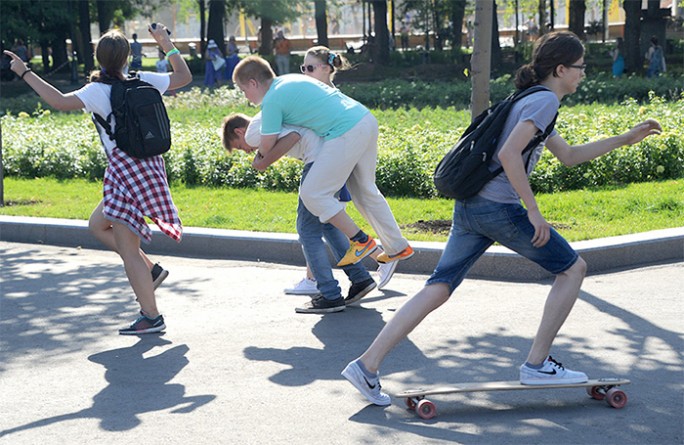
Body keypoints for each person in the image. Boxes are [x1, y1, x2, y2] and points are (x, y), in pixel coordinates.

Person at [340, 31, 662, 406]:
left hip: (471, 207)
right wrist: (534, 210)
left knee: (439, 286)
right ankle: (537, 364)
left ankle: (366, 365)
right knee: (573, 270)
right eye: (580, 67)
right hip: (499, 209)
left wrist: (625, 138)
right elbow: (510, 154)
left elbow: (569, 155)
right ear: (560, 69)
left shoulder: (529, 99)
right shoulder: (543, 102)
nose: (583, 74)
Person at [4, 23, 193, 335]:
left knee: (127, 247)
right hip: (149, 165)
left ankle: (151, 316)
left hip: (123, 170)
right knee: (96, 225)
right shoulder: (142, 79)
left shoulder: (97, 90)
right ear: (126, 58)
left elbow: (59, 101)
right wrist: (165, 43)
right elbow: (183, 78)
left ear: (99, 58)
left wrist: (25, 72)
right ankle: (152, 272)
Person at [232, 56, 414, 312]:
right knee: (365, 192)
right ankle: (397, 247)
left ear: (253, 82)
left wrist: (260, 159)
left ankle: (361, 241)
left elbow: (266, 144)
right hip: (364, 119)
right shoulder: (290, 80)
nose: (245, 96)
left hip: (343, 131)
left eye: (243, 90)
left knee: (313, 193)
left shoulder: (272, 99)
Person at [222, 112, 378, 313]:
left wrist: (264, 161)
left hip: (320, 161)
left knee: (307, 230)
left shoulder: (254, 131)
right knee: (328, 224)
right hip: (334, 156)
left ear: (239, 131)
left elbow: (294, 136)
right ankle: (360, 278)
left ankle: (330, 295)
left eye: (239, 146)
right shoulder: (266, 119)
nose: (246, 150)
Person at [293, 45, 399, 292]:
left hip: (328, 165)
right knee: (325, 221)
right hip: (329, 162)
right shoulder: (331, 96)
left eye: (309, 68)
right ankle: (321, 276)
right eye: (302, 68)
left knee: (318, 221)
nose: (305, 73)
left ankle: (378, 258)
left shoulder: (323, 97)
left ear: (327, 68)